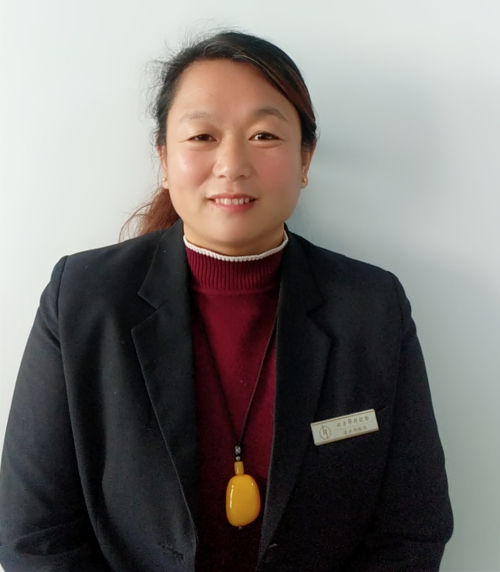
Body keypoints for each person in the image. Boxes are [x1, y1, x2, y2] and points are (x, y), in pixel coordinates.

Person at [0, 30, 453, 572]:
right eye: (202, 136)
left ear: (305, 158)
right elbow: (35, 536)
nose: (232, 163)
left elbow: (411, 528)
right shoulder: (81, 298)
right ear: (164, 158)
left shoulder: (373, 308)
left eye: (264, 135)